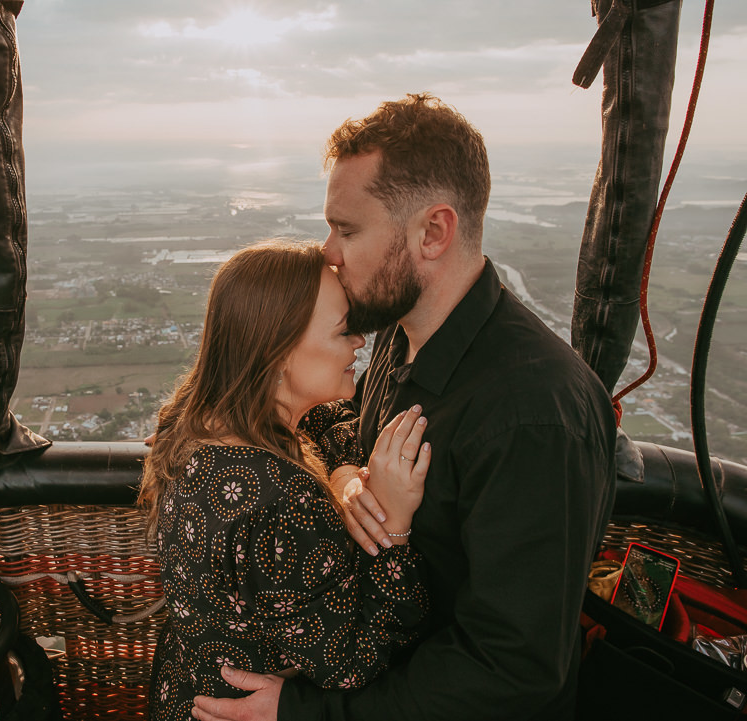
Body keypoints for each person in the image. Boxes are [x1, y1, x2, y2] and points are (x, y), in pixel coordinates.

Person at [190, 95, 617, 721]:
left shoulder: (533, 415)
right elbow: (344, 435)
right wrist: (341, 480)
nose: (329, 250)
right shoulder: (402, 332)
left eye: (349, 228)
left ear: (433, 232)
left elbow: (512, 669)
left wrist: (307, 713)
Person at [138, 239, 433, 721]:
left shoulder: (194, 425)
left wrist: (341, 472)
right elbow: (353, 664)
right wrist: (394, 530)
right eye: (344, 330)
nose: (360, 341)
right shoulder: (280, 497)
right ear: (278, 354)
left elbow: (331, 419)